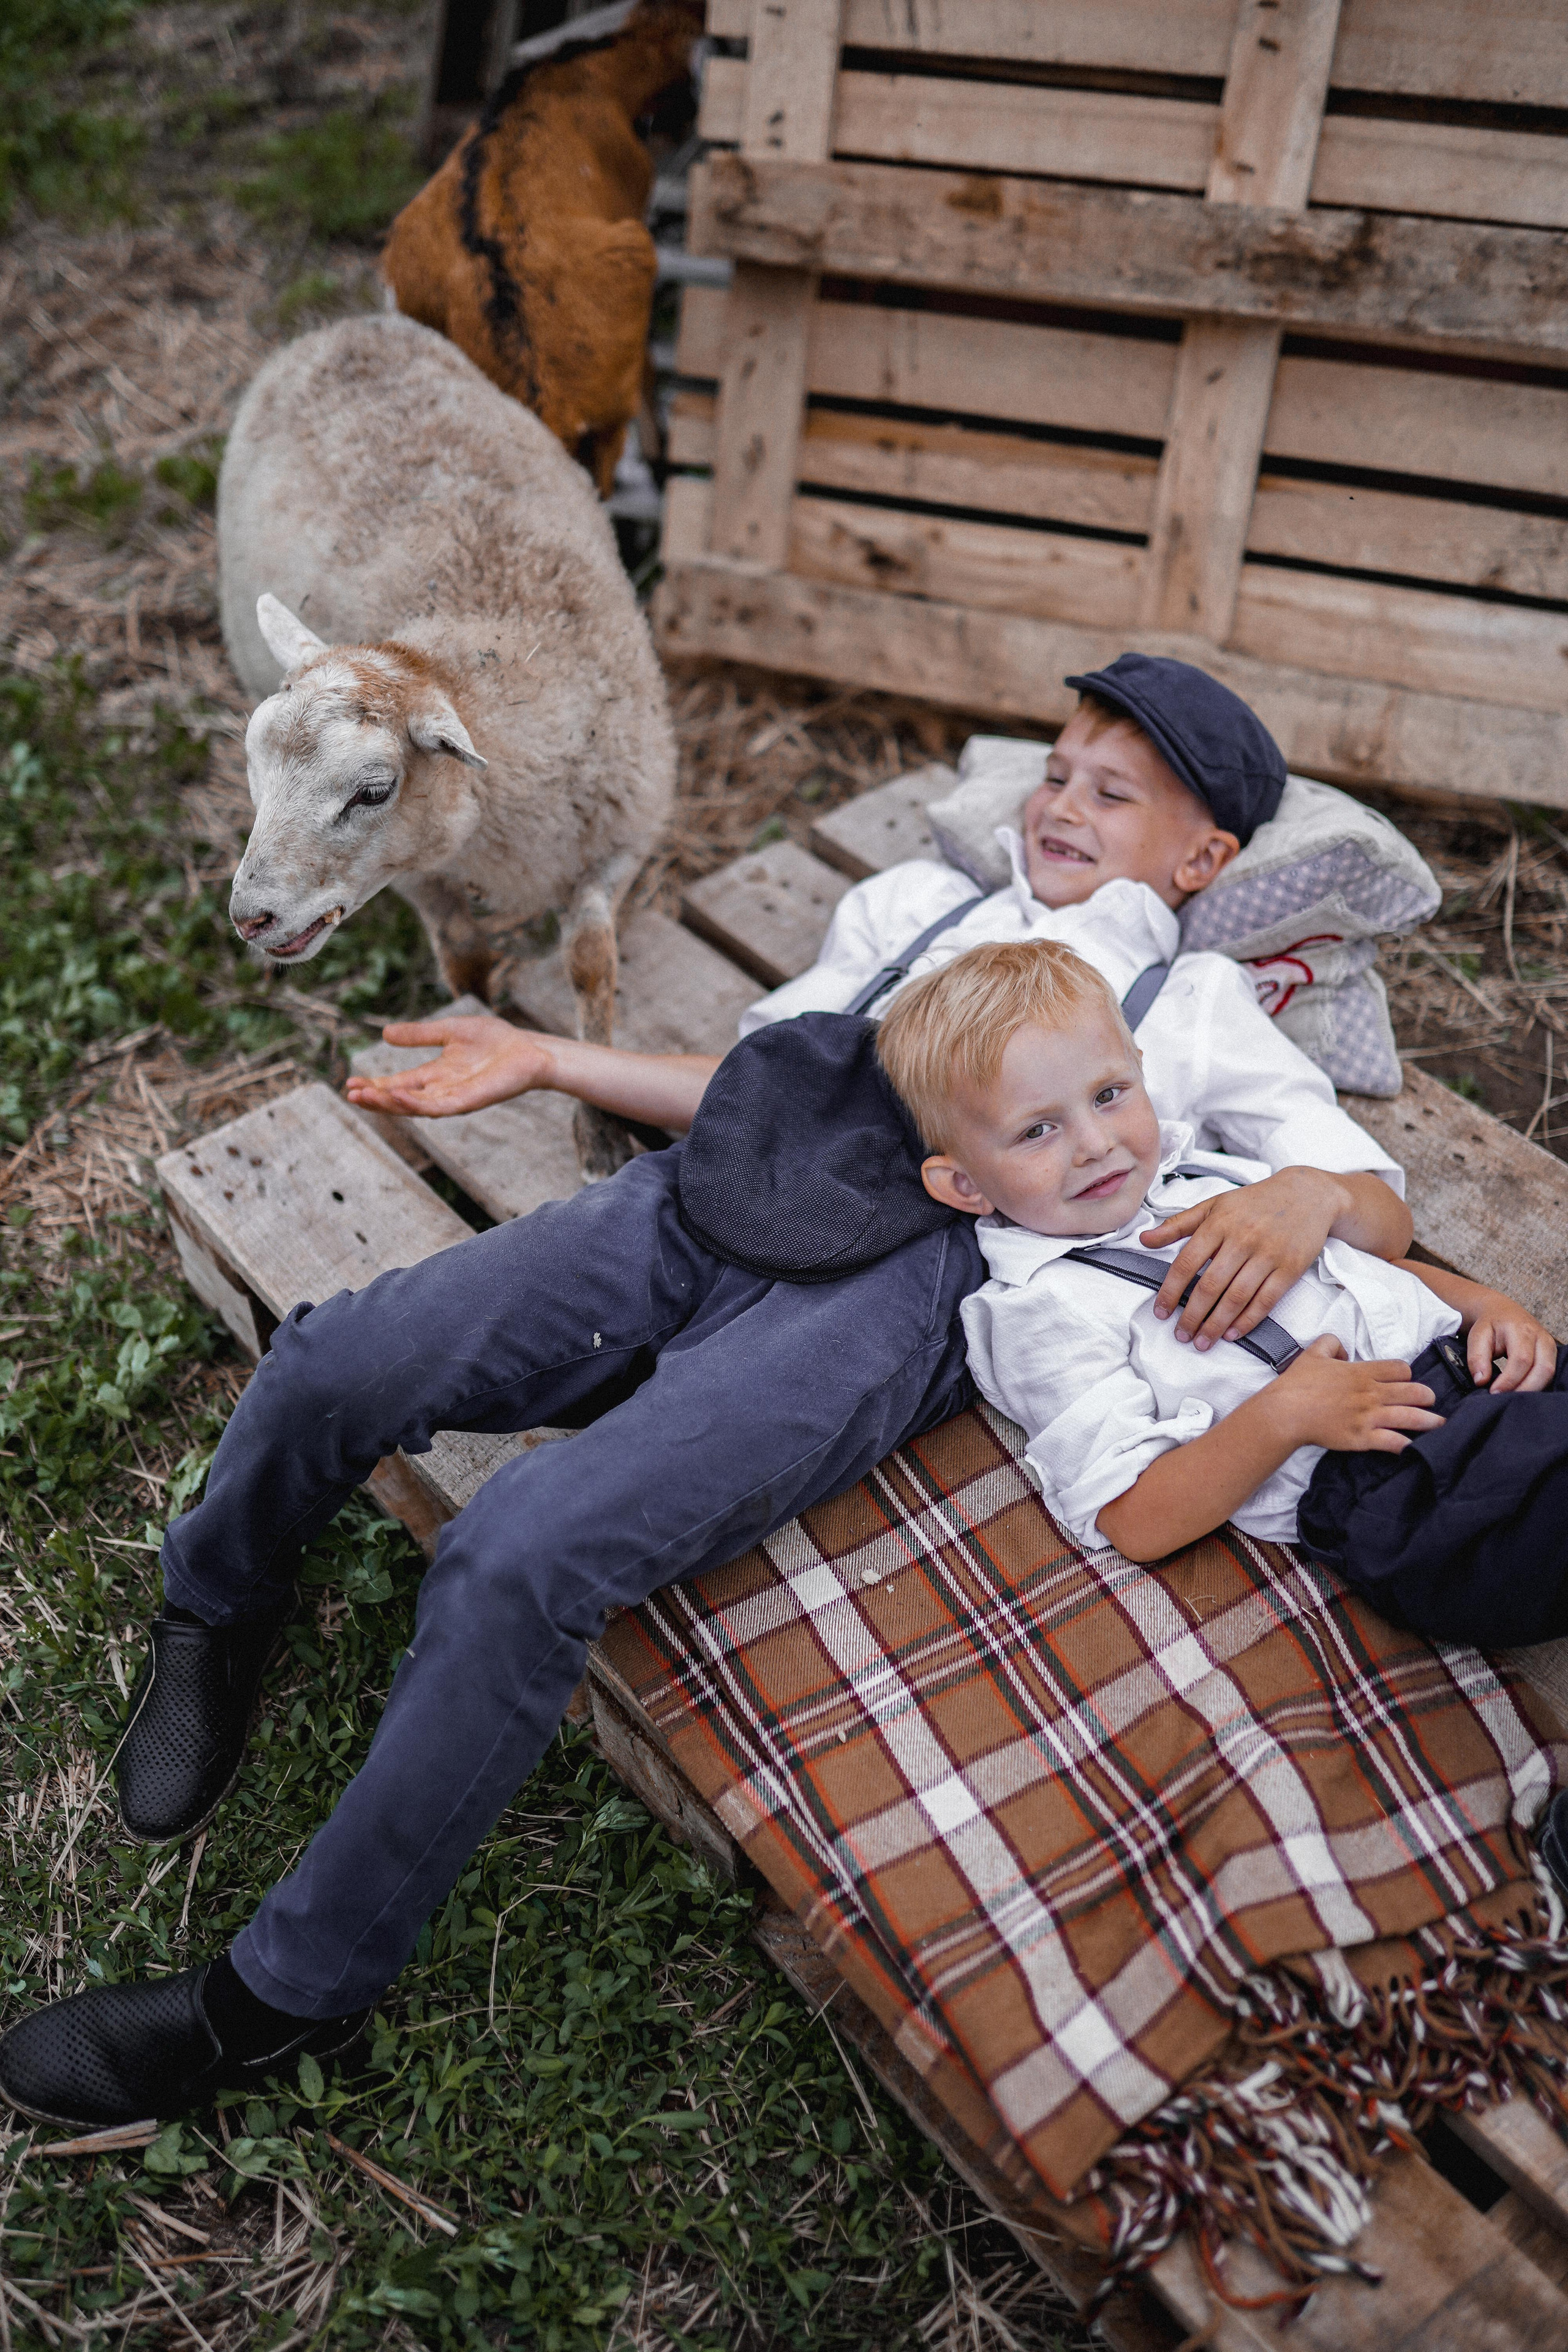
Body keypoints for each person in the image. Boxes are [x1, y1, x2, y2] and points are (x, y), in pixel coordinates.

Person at [0, 656, 1417, 2132]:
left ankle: (277, 1998)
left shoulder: (1183, 999)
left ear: (1198, 860)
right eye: (1054, 769)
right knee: (337, 1355)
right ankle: (217, 1602)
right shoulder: (910, 911)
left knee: (524, 1551)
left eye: (1110, 792)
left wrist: (1308, 1198)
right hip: (706, 1196)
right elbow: (758, 1077)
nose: (1060, 801)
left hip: (890, 1295)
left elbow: (1370, 1194)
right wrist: (545, 1052)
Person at [872, 934, 1562, 1646]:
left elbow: (1372, 1254)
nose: (1095, 1144)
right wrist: (1282, 1416)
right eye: (1037, 1131)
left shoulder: (1202, 1174)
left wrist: (1484, 1305)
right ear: (963, 1184)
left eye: (1108, 1095)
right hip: (1403, 1481)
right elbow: (1133, 1520)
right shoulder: (1039, 1310)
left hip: (1481, 1370)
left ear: (1141, 1074)